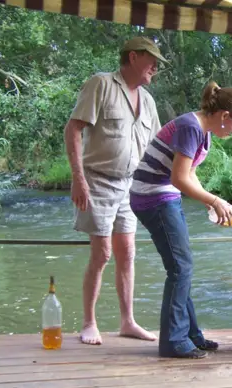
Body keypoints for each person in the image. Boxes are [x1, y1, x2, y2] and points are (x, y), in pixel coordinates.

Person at [129, 81, 232, 358]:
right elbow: (179, 178)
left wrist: (215, 202)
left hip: (165, 195)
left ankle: (191, 335)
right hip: (152, 197)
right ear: (224, 116)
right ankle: (173, 341)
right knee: (180, 268)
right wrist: (214, 200)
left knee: (182, 267)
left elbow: (189, 174)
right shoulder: (191, 127)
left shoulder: (202, 131)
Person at [64, 37, 168, 345]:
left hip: (131, 185)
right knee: (103, 253)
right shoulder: (101, 84)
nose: (155, 67)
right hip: (97, 180)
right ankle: (89, 322)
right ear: (133, 57)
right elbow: (73, 128)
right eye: (152, 60)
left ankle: (127, 322)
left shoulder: (148, 101)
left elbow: (157, 147)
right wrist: (78, 178)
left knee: (128, 253)